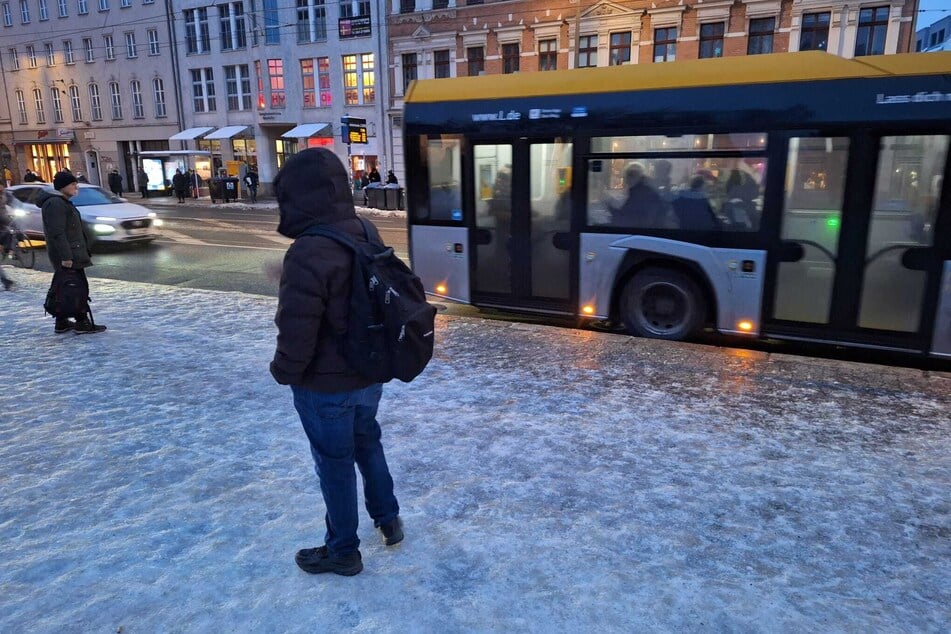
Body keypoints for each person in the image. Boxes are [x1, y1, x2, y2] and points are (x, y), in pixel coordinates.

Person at [270, 147, 402, 577]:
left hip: (325, 385)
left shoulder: (308, 250)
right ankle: (389, 520)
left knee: (334, 461)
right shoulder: (366, 230)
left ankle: (343, 549)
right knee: (368, 442)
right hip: (368, 373)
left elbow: (297, 328)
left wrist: (284, 371)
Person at [37, 171, 106, 334]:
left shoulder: (61, 201)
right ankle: (82, 322)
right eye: (73, 184)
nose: (76, 187)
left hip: (71, 252)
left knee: (66, 287)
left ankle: (62, 322)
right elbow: (58, 232)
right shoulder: (56, 203)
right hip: (69, 255)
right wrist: (66, 257)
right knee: (77, 288)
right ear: (62, 187)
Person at [608, 162, 669, 227]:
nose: (625, 180)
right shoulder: (644, 189)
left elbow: (629, 218)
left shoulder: (641, 193)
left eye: (626, 176)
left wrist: (610, 207)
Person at [0, 180, 17, 291]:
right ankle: (5, 280)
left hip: (3, 221)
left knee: (14, 231)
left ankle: (9, 250)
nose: (1, 189)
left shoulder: (5, 194)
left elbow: (13, 202)